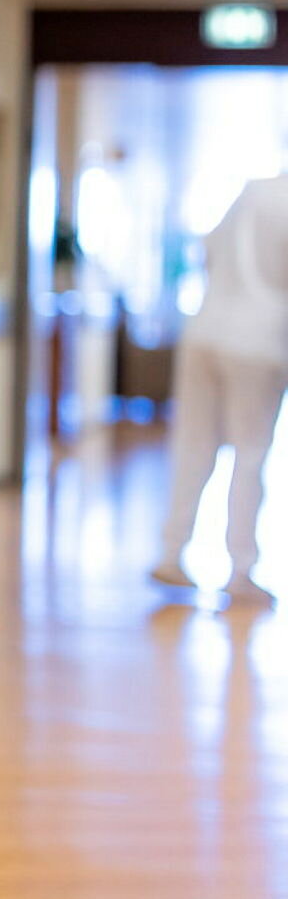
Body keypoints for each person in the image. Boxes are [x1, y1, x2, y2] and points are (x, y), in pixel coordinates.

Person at [151, 173, 288, 605]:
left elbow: (207, 250)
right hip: (260, 340)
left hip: (204, 328)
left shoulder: (251, 191)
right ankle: (241, 568)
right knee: (250, 453)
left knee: (193, 444)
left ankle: (172, 552)